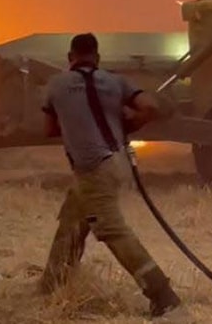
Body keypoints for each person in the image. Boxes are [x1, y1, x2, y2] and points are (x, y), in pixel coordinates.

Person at [37, 33, 183, 318]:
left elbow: (48, 129)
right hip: (118, 162)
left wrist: (73, 122)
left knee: (112, 229)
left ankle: (162, 295)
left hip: (92, 166)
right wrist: (130, 123)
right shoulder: (115, 81)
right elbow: (150, 106)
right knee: (73, 216)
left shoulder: (57, 84)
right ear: (98, 58)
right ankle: (53, 283)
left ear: (70, 58)